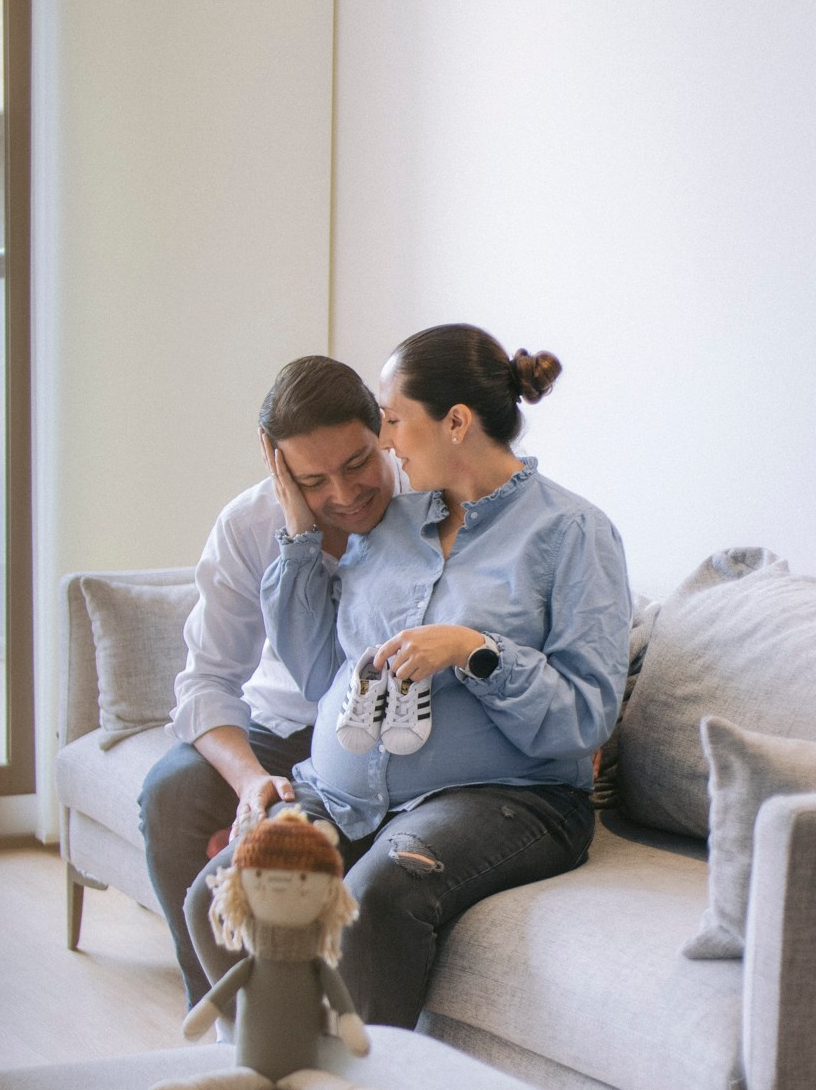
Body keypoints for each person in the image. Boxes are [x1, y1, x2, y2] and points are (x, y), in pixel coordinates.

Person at [185, 323, 631, 1029]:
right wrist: (300, 534)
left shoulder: (571, 532)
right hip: (350, 796)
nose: (387, 444)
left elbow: (586, 715)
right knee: (218, 892)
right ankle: (283, 1076)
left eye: (392, 421)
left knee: (381, 896)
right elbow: (322, 676)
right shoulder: (390, 529)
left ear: (455, 422)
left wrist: (475, 649)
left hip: (515, 798)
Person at [140, 356, 406, 1007]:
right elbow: (206, 681)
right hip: (280, 727)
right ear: (277, 465)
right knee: (170, 796)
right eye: (313, 479)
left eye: (356, 464)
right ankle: (226, 1015)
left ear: (380, 429)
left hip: (379, 734)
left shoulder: (424, 508)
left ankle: (315, 1014)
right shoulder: (248, 524)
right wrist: (252, 780)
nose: (343, 495)